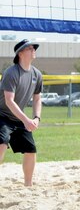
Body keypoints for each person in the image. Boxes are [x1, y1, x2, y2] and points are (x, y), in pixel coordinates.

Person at [0, 39, 43, 186]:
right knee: (1, 145)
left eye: (33, 48)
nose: (33, 50)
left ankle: (28, 185)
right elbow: (9, 101)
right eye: (30, 48)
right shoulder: (11, 73)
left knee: (30, 149)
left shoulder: (37, 74)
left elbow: (37, 99)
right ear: (20, 53)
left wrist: (36, 118)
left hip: (18, 117)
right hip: (2, 115)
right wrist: (26, 120)